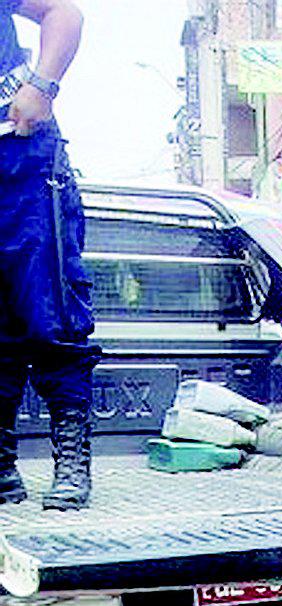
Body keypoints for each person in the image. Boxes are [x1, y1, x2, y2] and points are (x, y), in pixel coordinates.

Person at [0, 0, 97, 509]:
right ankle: (0, 472)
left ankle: (72, 466)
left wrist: (42, 85)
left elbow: (64, 11)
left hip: (18, 153)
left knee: (51, 309)